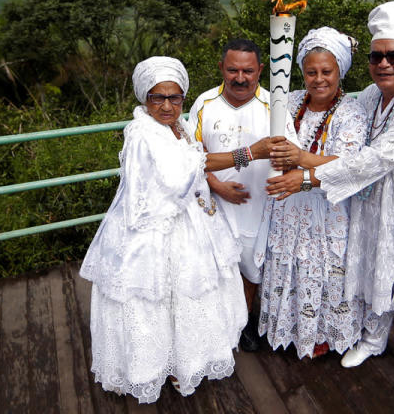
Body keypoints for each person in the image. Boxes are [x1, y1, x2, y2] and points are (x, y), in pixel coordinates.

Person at [267, 1, 394, 398]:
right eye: (376, 56)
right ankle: (372, 340)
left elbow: (375, 158)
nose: (384, 63)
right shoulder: (371, 95)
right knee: (372, 265)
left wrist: (302, 171)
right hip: (373, 200)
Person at [80, 56, 273, 404]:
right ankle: (153, 366)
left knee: (185, 295)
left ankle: (184, 358)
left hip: (185, 218)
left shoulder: (178, 125)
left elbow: (193, 159)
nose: (167, 105)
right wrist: (251, 153)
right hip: (152, 228)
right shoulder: (143, 133)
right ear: (144, 98)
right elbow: (189, 166)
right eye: (158, 97)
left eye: (175, 97)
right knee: (155, 296)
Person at [254, 27, 367, 360]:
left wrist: (301, 167)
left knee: (321, 266)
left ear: (340, 72)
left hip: (325, 209)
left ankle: (320, 333)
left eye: (326, 72)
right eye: (311, 72)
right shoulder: (287, 103)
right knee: (288, 264)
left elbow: (349, 164)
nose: (319, 79)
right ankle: (288, 328)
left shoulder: (351, 112)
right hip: (287, 207)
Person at [189, 39, 270, 351]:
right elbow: (190, 155)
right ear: (221, 68)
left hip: (257, 205)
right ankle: (218, 323)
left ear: (260, 70)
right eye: (233, 70)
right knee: (216, 266)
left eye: (248, 71)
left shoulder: (273, 108)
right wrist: (217, 185)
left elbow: (287, 151)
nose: (240, 78)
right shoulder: (204, 104)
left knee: (251, 265)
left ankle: (246, 320)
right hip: (213, 204)